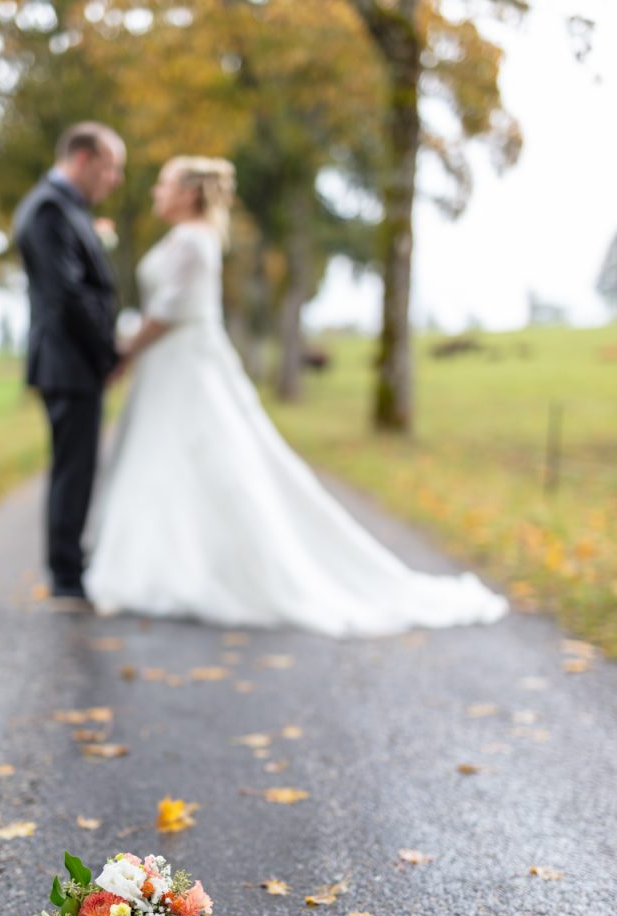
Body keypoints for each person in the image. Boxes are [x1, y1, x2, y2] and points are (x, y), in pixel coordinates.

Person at [85, 155, 508, 638]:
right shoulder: (190, 238)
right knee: (172, 460)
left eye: (164, 184)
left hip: (184, 361)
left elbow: (170, 310)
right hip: (173, 363)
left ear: (188, 193)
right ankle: (170, 562)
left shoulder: (192, 241)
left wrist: (125, 350)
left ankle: (188, 570)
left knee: (194, 457)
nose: (155, 192)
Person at [14, 121, 125, 605]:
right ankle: (65, 574)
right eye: (111, 167)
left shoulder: (64, 208)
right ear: (83, 159)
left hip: (73, 360)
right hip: (69, 361)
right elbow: (68, 297)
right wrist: (107, 353)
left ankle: (69, 564)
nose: (115, 179)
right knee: (73, 469)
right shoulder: (49, 210)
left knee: (77, 467)